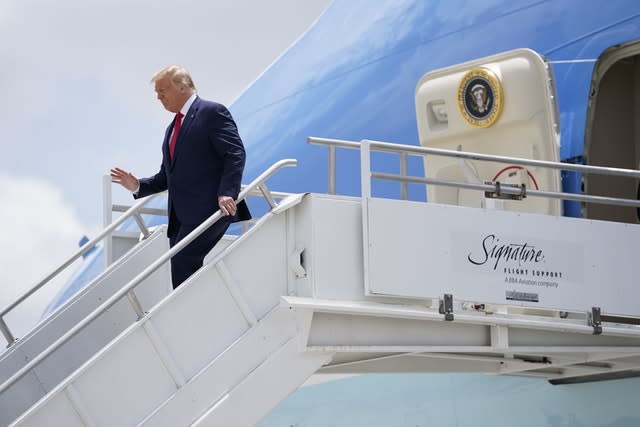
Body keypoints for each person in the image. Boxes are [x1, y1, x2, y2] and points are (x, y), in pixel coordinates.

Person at [111, 65, 250, 289]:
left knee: (183, 261)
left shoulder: (211, 112)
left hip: (210, 208)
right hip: (183, 217)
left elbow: (235, 153)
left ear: (182, 87)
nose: (159, 96)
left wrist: (227, 192)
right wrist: (137, 185)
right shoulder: (172, 128)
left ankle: (189, 319)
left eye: (162, 90)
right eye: (157, 93)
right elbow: (166, 177)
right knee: (180, 267)